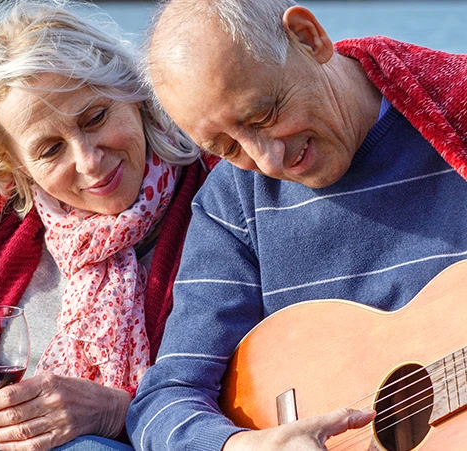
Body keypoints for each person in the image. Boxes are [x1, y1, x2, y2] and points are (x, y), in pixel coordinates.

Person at [0, 1, 218, 450]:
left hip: (131, 438)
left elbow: (244, 388)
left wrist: (115, 410)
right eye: (50, 150)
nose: (89, 162)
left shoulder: (212, 185)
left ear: (134, 94)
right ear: (18, 169)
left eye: (95, 118)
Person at [127, 0, 467, 449]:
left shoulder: (450, 111)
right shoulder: (233, 199)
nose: (268, 161)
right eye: (227, 146)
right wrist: (244, 446)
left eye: (264, 115)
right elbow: (166, 398)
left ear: (309, 38)